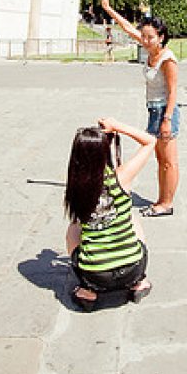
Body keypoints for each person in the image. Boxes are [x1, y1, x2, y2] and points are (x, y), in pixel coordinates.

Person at [101, 0, 179, 217]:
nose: (144, 41)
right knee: (160, 159)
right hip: (154, 110)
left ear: (161, 37)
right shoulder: (150, 50)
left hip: (165, 111)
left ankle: (167, 203)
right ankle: (162, 199)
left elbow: (174, 91)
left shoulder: (167, 58)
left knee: (169, 161)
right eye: (143, 36)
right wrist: (108, 8)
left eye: (149, 37)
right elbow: (127, 27)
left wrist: (166, 120)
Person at [65, 117, 155, 311]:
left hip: (94, 276)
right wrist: (117, 126)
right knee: (132, 217)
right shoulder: (122, 176)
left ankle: (87, 292)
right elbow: (150, 141)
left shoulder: (76, 186)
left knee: (73, 227)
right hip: (133, 269)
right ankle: (139, 283)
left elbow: (78, 223)